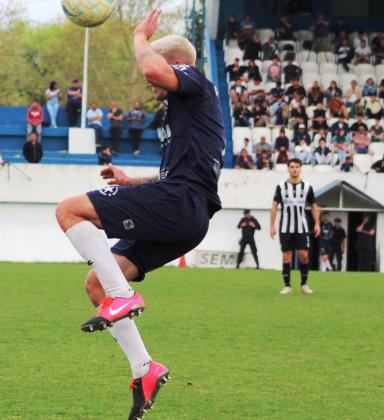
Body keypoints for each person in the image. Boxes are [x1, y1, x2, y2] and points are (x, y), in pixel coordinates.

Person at [54, 10, 223, 418]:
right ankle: (145, 369)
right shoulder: (190, 108)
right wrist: (133, 184)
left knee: (69, 210)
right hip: (186, 213)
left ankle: (125, 298)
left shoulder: (192, 80)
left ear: (176, 64)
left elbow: (152, 68)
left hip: (180, 203)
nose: (150, 90)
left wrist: (139, 36)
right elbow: (183, 171)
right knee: (98, 284)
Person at [270, 159, 320, 295]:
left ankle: (304, 284)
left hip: (302, 227)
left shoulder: (307, 187)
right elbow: (274, 206)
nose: (294, 169)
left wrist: (317, 223)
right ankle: (287, 286)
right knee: (286, 256)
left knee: (304, 255)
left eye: (297, 167)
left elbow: (314, 205)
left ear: (300, 168)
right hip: (285, 227)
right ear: (288, 169)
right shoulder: (281, 186)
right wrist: (272, 226)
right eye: (292, 167)